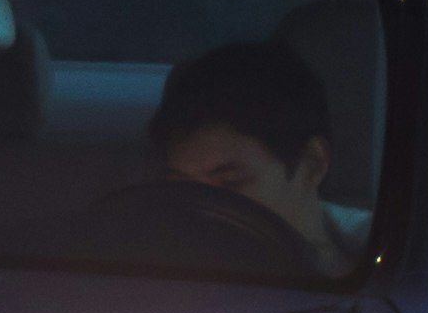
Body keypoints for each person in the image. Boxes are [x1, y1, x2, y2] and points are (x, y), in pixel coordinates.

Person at [146, 36, 351, 279]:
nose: (203, 212)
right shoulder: (157, 261)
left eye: (230, 184)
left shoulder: (379, 272)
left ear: (312, 165)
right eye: (183, 187)